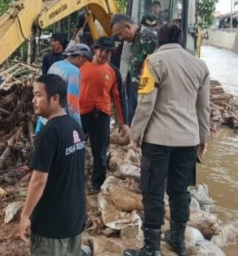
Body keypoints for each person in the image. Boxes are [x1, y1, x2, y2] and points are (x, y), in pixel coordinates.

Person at [122, 24, 210, 256]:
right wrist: (203, 137)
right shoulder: (200, 65)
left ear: (159, 41)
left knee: (153, 191)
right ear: (181, 40)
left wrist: (135, 134)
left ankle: (152, 248)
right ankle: (178, 240)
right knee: (180, 192)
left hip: (158, 140)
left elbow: (146, 102)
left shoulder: (153, 62)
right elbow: (203, 107)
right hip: (188, 140)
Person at [17, 74, 86, 255]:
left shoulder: (49, 133)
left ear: (55, 98)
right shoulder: (74, 126)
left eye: (38, 95)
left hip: (52, 225)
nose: (33, 100)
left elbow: (38, 180)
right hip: (74, 218)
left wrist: (25, 215)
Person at [79, 37, 129, 193]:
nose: (104, 54)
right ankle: (75, 180)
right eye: (101, 50)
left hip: (101, 116)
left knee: (100, 153)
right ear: (95, 49)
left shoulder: (113, 71)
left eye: (108, 52)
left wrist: (123, 122)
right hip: (80, 115)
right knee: (75, 150)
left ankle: (96, 184)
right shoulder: (81, 67)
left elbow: (119, 98)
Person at [111, 14, 157, 123]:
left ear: (128, 27)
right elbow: (125, 60)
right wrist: (122, 82)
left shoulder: (149, 38)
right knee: (132, 112)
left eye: (120, 34)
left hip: (149, 90)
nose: (121, 38)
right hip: (137, 88)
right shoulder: (131, 41)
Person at [36, 43, 90, 134]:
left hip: (46, 118)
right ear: (80, 57)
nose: (84, 64)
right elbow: (72, 103)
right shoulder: (74, 72)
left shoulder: (55, 65)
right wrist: (78, 128)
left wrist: (40, 121)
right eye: (85, 60)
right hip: (60, 122)